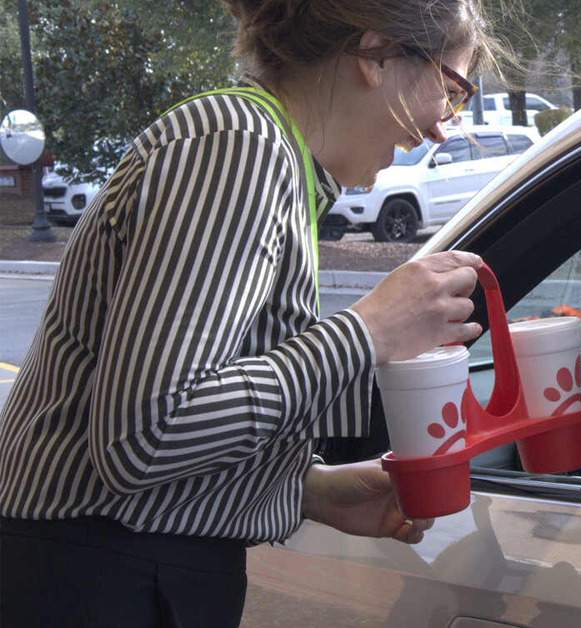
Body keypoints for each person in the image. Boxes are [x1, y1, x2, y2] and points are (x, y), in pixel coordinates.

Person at [0, 1, 506, 625]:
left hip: (106, 569)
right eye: (450, 90)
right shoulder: (240, 145)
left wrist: (303, 491)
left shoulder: (265, 154)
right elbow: (144, 434)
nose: (441, 130)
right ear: (376, 56)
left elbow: (163, 431)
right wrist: (367, 331)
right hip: (104, 576)